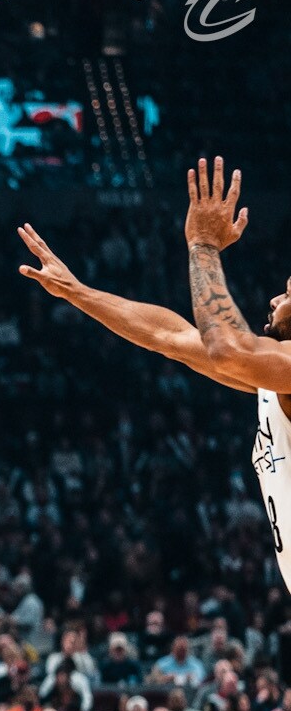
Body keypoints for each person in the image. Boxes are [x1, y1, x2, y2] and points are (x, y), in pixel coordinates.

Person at [18, 156, 291, 597]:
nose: (276, 297)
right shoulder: (275, 375)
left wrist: (202, 245)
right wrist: (78, 292)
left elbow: (226, 345)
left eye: (288, 293)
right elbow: (168, 335)